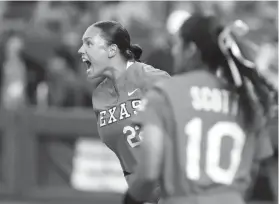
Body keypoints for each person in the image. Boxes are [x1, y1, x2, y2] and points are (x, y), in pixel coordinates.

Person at [123, 15, 277, 204]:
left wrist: (131, 199)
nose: (174, 51)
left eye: (178, 44)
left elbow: (148, 172)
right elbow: (251, 173)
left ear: (191, 50)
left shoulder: (165, 94)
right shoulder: (245, 100)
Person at [78, 20, 170, 201]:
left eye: (88, 43)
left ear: (112, 50)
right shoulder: (99, 96)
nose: (81, 50)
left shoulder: (152, 79)